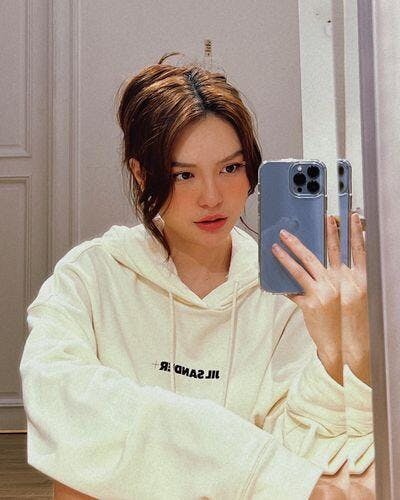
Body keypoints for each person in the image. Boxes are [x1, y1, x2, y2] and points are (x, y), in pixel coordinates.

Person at [19, 52, 373, 499]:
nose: (212, 197)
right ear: (141, 174)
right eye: (184, 175)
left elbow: (314, 455)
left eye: (230, 168)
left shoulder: (288, 292)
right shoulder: (90, 277)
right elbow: (65, 411)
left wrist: (340, 348)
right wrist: (253, 468)